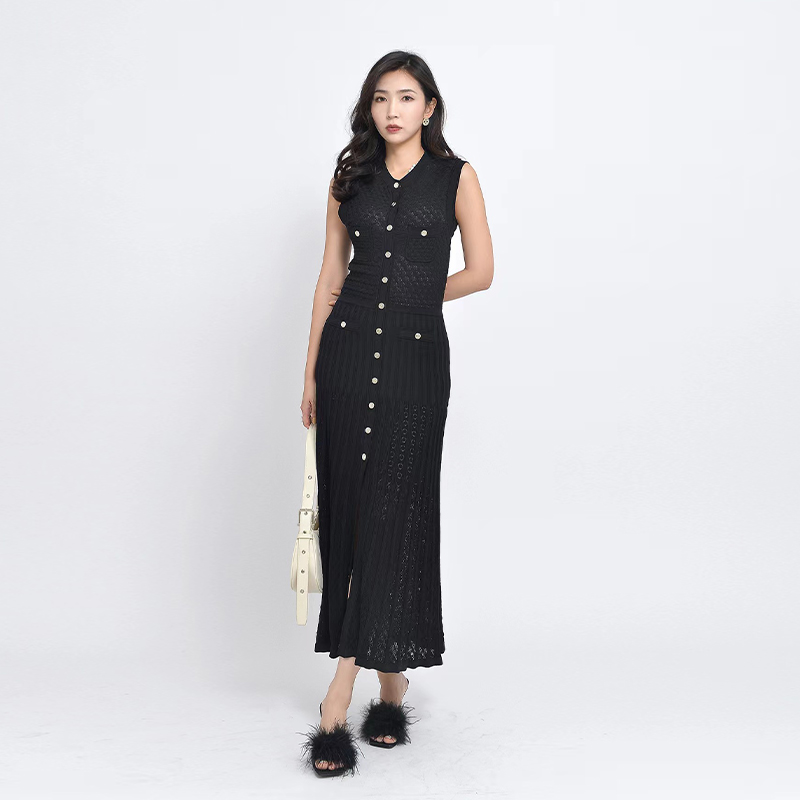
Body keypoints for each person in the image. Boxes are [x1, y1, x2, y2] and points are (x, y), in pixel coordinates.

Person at [298, 51, 493, 778]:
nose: (392, 110)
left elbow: (482, 271)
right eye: (380, 98)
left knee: (396, 510)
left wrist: (408, 296)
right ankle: (389, 687)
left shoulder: (456, 176)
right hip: (347, 358)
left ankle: (339, 692)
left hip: (416, 365)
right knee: (354, 513)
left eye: (406, 97)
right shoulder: (349, 176)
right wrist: (310, 370)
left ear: (429, 107)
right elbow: (329, 277)